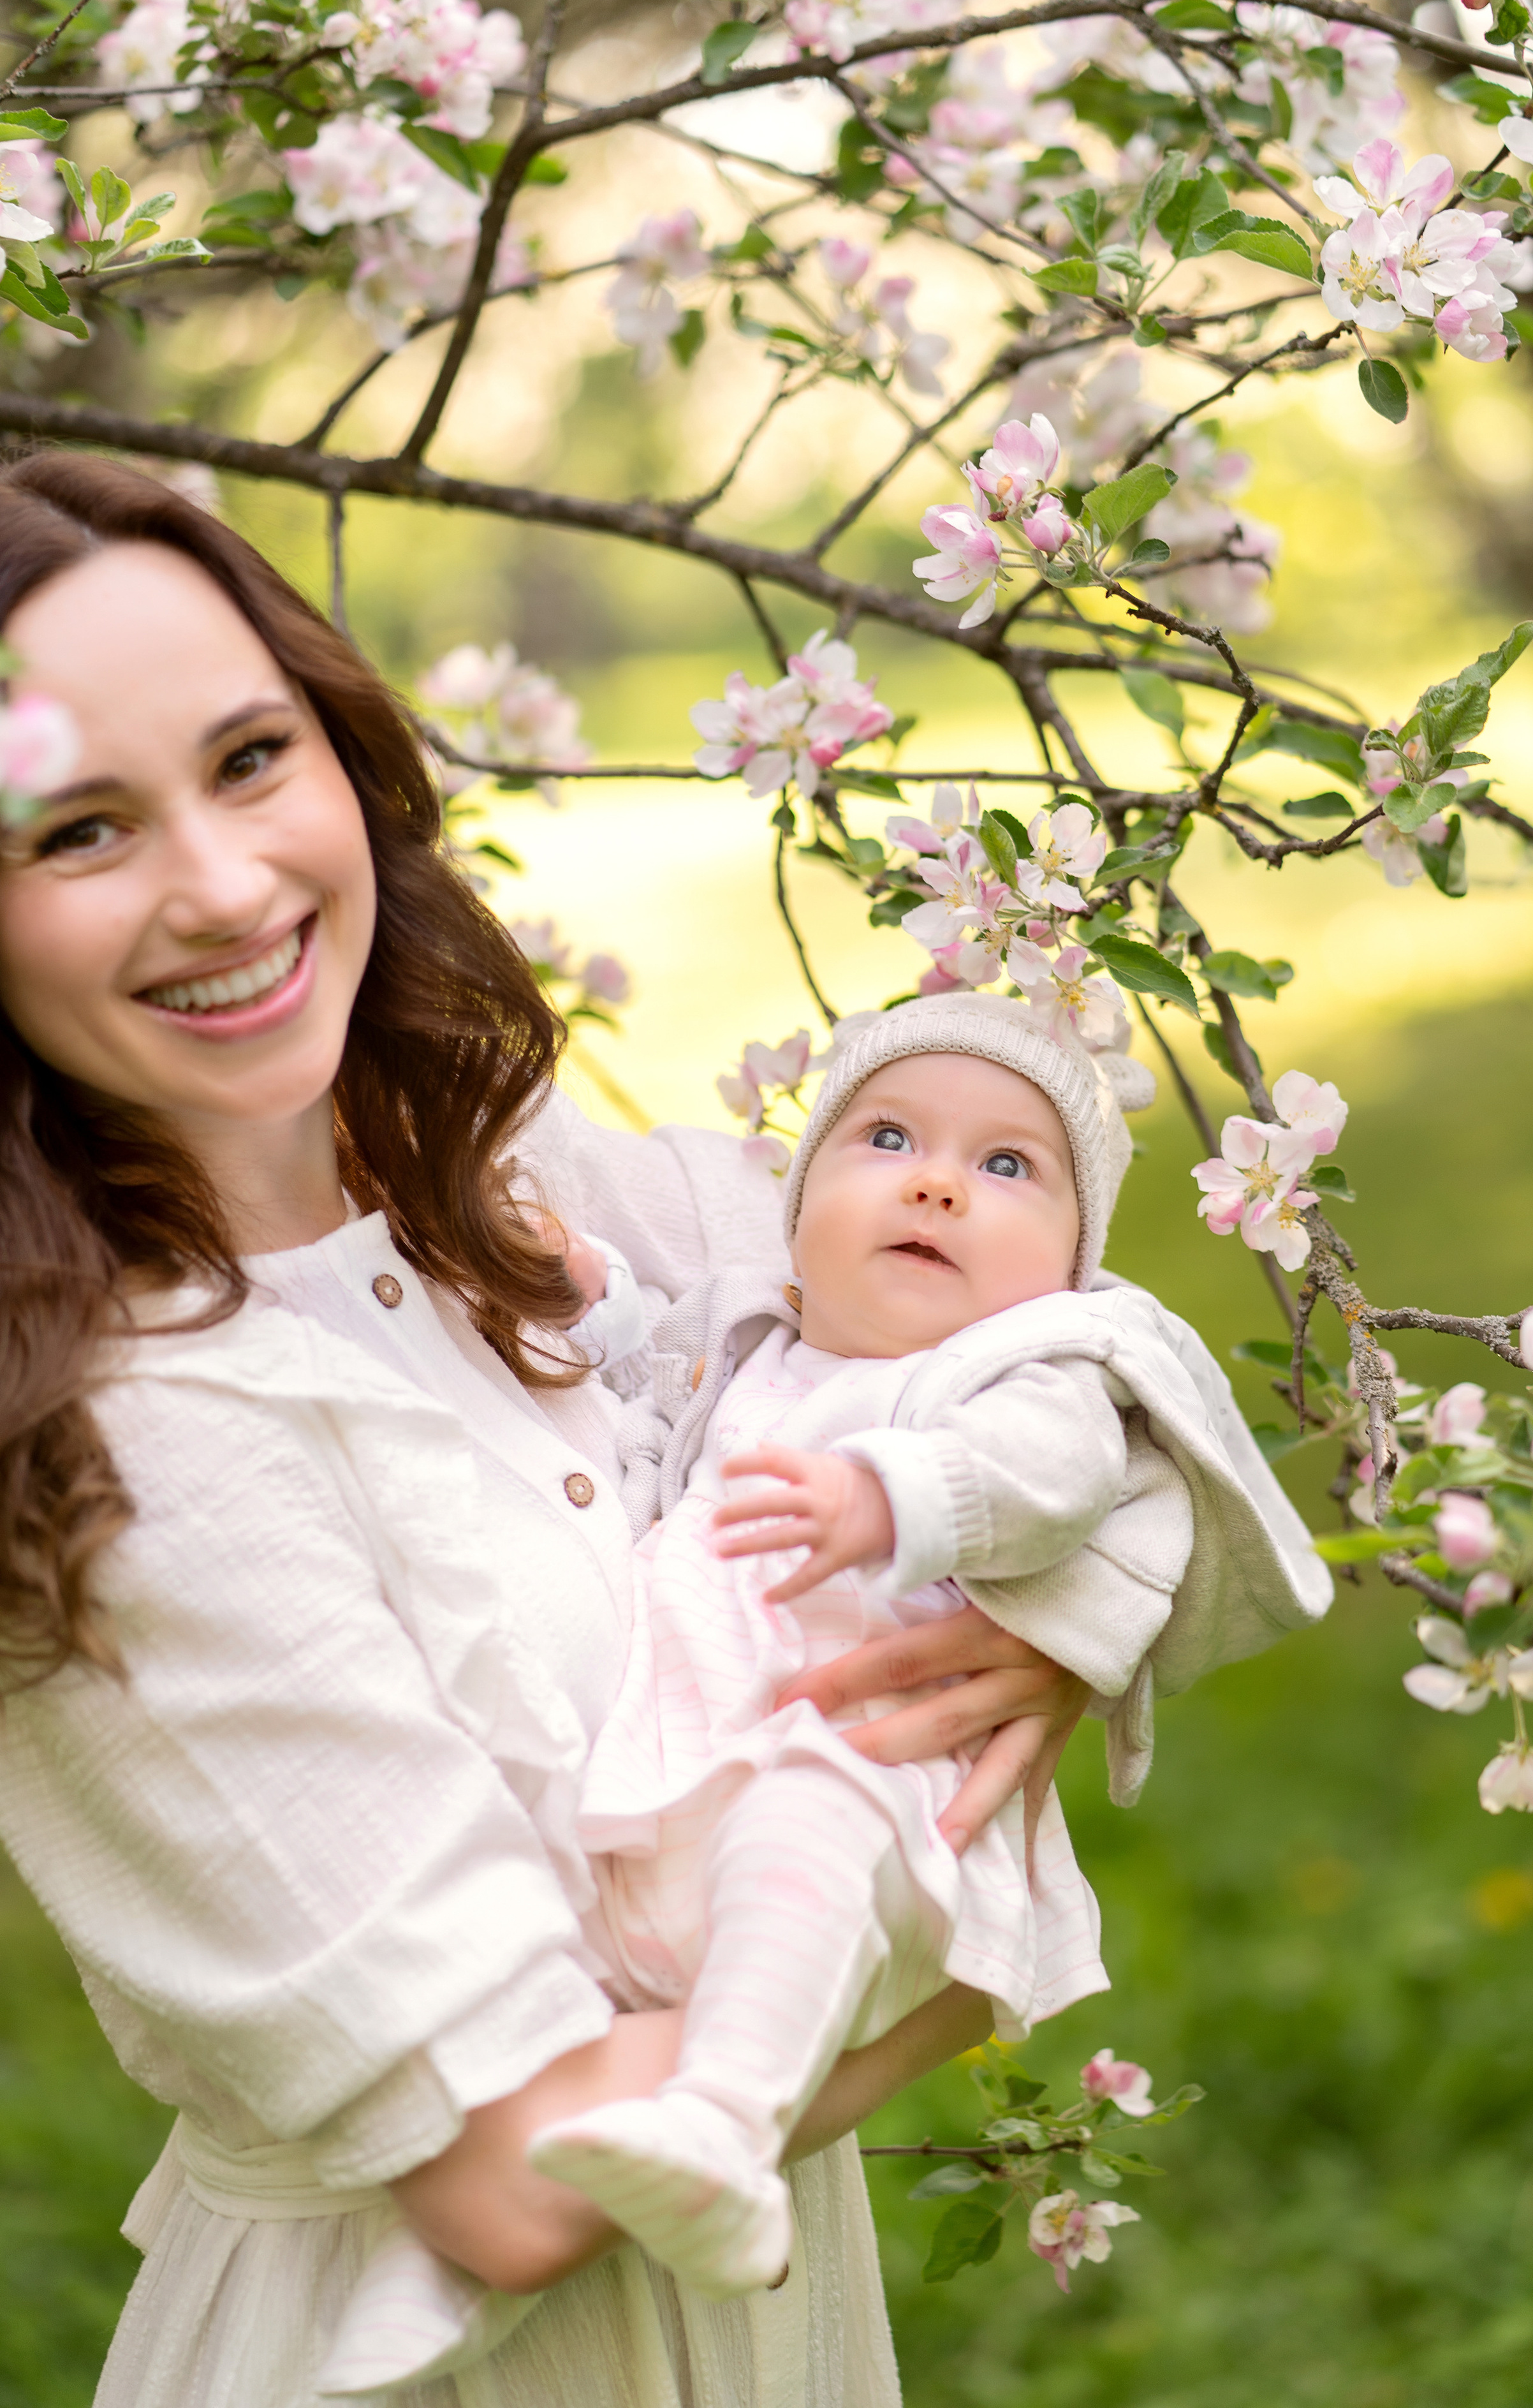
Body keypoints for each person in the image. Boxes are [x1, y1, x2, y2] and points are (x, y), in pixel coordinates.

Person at [0, 453, 1108, 2408]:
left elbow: (954, 1330)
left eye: (252, 759)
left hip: (757, 2314)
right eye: (81, 830)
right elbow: (516, 2181)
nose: (229, 885)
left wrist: (1048, 1569)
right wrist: (970, 1915)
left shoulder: (496, 1180)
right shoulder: (127, 1450)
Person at [329, 996, 1332, 2389]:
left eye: (1005, 1168)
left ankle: (722, 2126)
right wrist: (565, 1281)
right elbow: (630, 1354)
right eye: (887, 1137)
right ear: (794, 1215)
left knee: (803, 1816)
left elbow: (1054, 1474)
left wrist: (891, 1493)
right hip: (665, 1797)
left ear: (1067, 1275)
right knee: (543, 2012)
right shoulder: (749, 1340)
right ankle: (444, 2273)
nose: (934, 1179)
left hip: (866, 1794)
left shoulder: (1013, 1372)